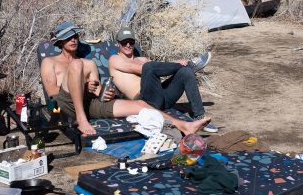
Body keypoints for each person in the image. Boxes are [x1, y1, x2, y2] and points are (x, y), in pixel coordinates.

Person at [39, 21, 210, 137]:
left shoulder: (89, 63)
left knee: (142, 105)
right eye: (68, 37)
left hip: (90, 104)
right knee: (76, 65)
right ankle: (82, 120)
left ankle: (184, 126)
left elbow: (98, 90)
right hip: (66, 103)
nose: (73, 39)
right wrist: (81, 86)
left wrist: (104, 93)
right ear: (60, 42)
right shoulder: (50, 62)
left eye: (75, 36)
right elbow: (53, 94)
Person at [107, 27, 217, 132]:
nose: (128, 45)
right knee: (148, 67)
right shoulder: (115, 59)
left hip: (161, 97)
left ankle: (199, 116)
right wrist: (177, 64)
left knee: (186, 72)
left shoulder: (142, 59)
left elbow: (160, 67)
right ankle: (190, 65)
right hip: (145, 102)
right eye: (124, 42)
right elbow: (142, 69)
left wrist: (176, 63)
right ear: (118, 43)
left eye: (131, 42)